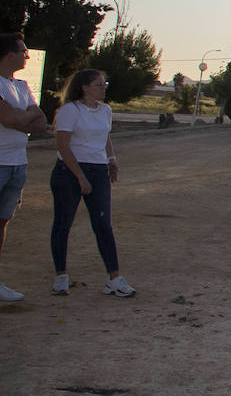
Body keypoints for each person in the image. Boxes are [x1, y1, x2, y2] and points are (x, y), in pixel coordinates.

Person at [51, 69, 134, 297]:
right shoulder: (70, 111)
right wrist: (80, 176)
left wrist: (111, 160)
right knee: (63, 223)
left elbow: (104, 137)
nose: (103, 87)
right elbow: (63, 146)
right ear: (85, 87)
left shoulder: (105, 110)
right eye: (98, 84)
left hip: (98, 170)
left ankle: (114, 279)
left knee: (103, 225)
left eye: (104, 83)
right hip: (69, 170)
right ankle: (61, 276)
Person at [0, 34, 48, 302]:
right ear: (9, 54)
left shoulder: (21, 85)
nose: (28, 56)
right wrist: (21, 118)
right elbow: (7, 117)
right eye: (23, 51)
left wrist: (20, 119)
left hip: (18, 163)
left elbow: (40, 122)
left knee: (2, 222)